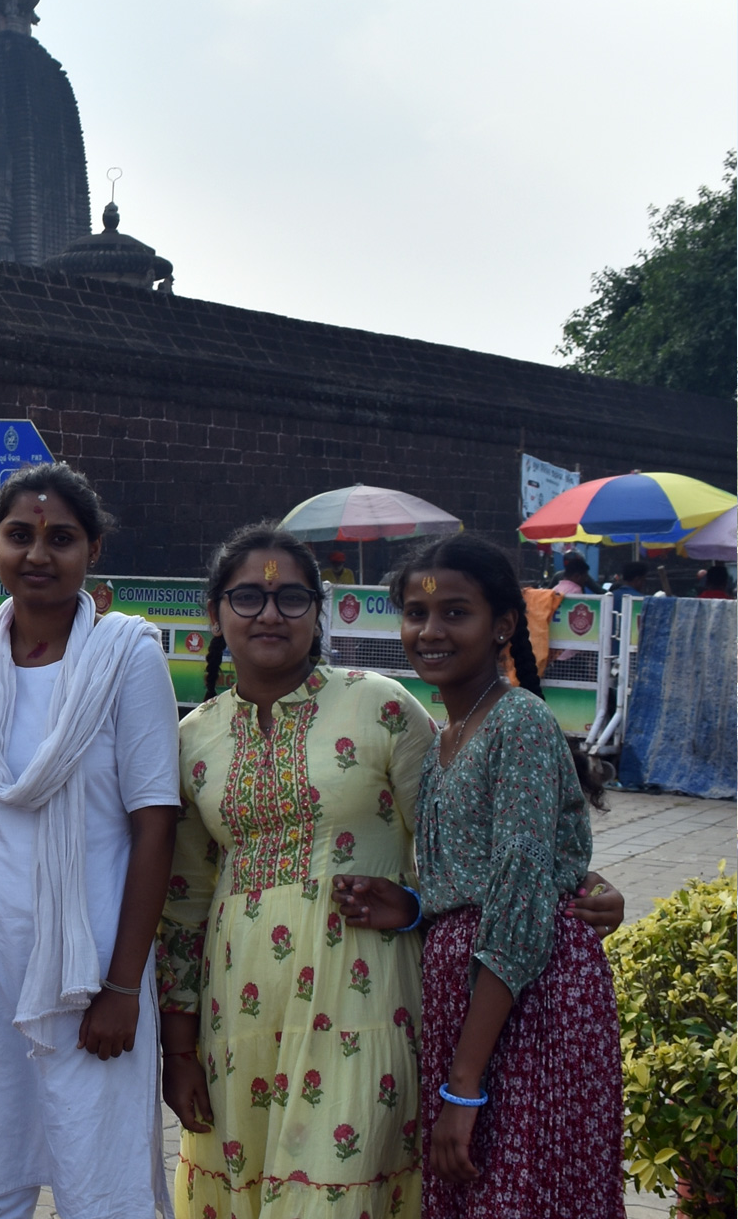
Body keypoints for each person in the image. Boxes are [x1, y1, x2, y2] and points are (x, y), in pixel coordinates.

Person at [154, 522, 624, 1219]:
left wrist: (580, 885)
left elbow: (490, 861)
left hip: (373, 1003)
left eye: (291, 598)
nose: (269, 613)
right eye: (247, 596)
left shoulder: (383, 709)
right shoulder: (192, 739)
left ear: (321, 610)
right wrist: (180, 1044)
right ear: (215, 610)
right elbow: (186, 899)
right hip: (243, 1011)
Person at [334, 536, 623, 1219]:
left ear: (501, 625)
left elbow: (519, 901)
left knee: (522, 1190)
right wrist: (408, 909)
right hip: (476, 1003)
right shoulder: (445, 737)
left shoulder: (517, 722)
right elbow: (470, 878)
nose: (430, 631)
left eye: (454, 613)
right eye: (414, 613)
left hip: (531, 1001)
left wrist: (462, 1088)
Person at [0, 462, 180, 1219]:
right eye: (20, 535)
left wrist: (124, 985)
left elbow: (154, 822)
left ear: (93, 551)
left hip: (93, 956)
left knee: (97, 1172)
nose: (39, 554)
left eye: (60, 538)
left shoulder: (128, 655)